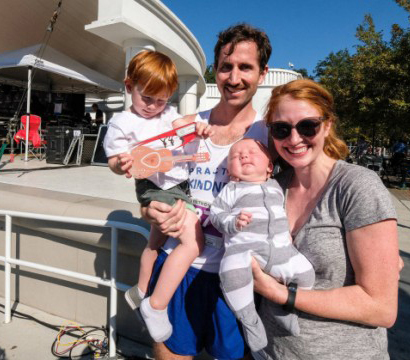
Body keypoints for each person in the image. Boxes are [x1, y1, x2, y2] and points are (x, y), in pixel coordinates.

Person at [141, 23, 272, 359]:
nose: (234, 77)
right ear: (215, 70)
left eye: (246, 67)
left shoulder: (272, 137)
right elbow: (147, 174)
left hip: (236, 280)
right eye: (226, 67)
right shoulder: (185, 125)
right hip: (178, 268)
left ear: (263, 73)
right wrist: (149, 209)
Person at [251, 79, 399, 359]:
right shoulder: (272, 187)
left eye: (308, 126)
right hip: (270, 352)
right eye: (282, 129)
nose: (294, 139)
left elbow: (381, 307)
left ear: (328, 125)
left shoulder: (356, 186)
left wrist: (281, 294)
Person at [103, 50, 211, 342]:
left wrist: (196, 128)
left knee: (154, 243)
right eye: (146, 98)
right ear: (129, 87)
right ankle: (156, 304)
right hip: (154, 187)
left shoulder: (168, 114)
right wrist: (120, 164)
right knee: (193, 242)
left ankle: (138, 291)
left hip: (179, 184)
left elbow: (181, 128)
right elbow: (113, 158)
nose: (152, 106)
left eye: (161, 100)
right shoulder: (123, 122)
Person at [209, 138, 315, 352]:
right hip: (244, 250)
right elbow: (216, 215)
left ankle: (283, 310)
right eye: (236, 156)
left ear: (269, 166)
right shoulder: (232, 189)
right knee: (231, 274)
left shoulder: (276, 185)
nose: (244, 156)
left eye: (251, 152)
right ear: (230, 171)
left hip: (280, 249)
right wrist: (233, 222)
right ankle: (250, 322)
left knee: (306, 274)